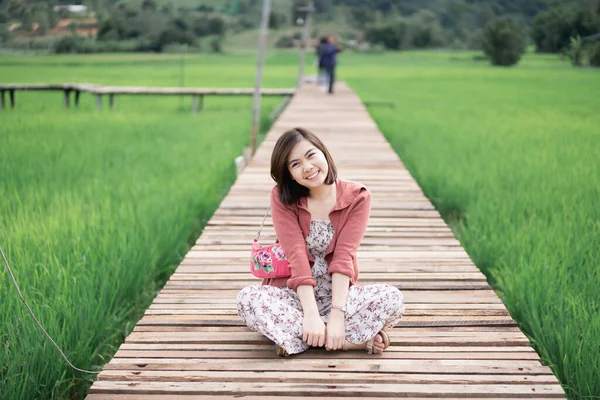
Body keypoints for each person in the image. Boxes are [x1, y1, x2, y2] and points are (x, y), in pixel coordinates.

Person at [237, 127, 405, 356]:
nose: (307, 167)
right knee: (248, 299)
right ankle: (348, 341)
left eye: (310, 155)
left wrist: (337, 313)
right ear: (289, 174)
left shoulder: (358, 196)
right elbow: (295, 256)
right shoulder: (282, 197)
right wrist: (310, 315)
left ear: (323, 153)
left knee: (392, 298)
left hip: (340, 296)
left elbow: (344, 256)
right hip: (294, 296)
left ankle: (302, 337)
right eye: (295, 164)